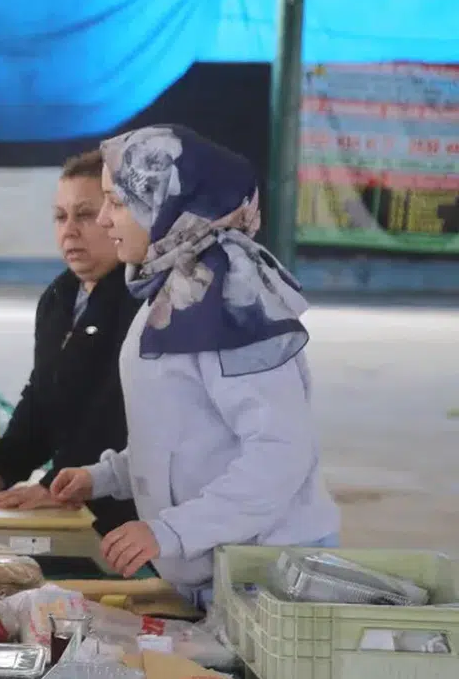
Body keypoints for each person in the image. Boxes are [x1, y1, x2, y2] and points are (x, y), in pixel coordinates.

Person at [50, 125, 340, 608]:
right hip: (220, 570)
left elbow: (280, 452)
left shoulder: (232, 301)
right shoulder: (176, 290)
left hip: (270, 581)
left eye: (116, 202)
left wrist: (170, 531)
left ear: (168, 206)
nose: (102, 220)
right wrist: (105, 476)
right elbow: (186, 435)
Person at [0, 150, 141, 536]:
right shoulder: (59, 297)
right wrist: (0, 469)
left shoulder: (142, 304)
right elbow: (42, 396)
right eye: (60, 217)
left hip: (129, 515)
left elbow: (113, 417)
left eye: (85, 215)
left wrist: (51, 486)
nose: (69, 230)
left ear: (118, 214)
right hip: (68, 499)